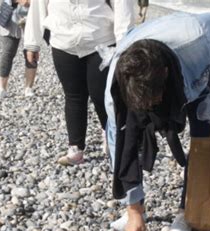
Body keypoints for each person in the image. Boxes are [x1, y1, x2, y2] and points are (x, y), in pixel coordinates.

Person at [103, 12, 210, 231]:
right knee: (129, 135)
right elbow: (120, 145)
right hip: (143, 71)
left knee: (205, 138)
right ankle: (134, 212)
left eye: (154, 102)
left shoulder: (199, 38)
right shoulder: (117, 85)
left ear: (164, 75)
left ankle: (188, 212)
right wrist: (133, 209)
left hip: (192, 71)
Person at [23, 0, 136, 165]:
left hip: (101, 38)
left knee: (103, 95)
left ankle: (113, 138)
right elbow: (38, 5)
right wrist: (32, 44)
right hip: (63, 40)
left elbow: (122, 4)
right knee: (73, 95)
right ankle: (75, 148)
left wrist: (124, 42)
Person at [0, 0, 38, 101]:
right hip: (11, 18)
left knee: (32, 50)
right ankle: (1, 88)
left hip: (32, 17)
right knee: (8, 52)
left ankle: (29, 88)